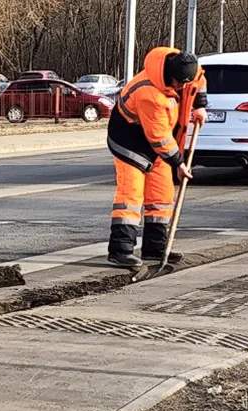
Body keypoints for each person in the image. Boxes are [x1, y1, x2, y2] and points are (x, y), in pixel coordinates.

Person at [106, 47, 208, 267]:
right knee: (131, 194)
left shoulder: (188, 70)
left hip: (157, 141)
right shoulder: (149, 93)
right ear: (170, 75)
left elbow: (199, 79)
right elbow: (159, 138)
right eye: (178, 83)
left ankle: (155, 248)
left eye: (184, 83)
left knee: (162, 194)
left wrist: (200, 106)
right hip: (129, 139)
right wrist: (179, 163)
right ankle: (120, 250)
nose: (181, 87)